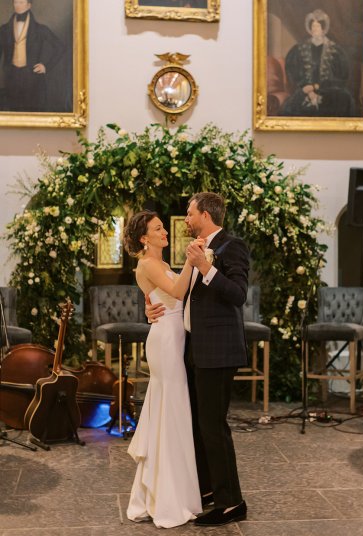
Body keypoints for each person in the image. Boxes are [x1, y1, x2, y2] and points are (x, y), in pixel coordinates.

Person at [146, 192, 249, 527]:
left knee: (213, 426)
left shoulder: (232, 246)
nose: (185, 220)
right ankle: (207, 491)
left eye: (189, 214)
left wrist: (206, 267)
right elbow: (179, 293)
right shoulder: (197, 248)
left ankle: (231, 502)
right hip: (195, 348)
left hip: (219, 350)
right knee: (199, 425)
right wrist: (152, 307)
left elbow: (238, 295)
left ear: (205, 214)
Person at [124, 210, 202, 528]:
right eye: (158, 229)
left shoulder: (162, 265)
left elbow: (170, 296)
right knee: (169, 411)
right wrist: (193, 260)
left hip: (172, 337)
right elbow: (179, 292)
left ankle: (160, 492)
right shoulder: (147, 264)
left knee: (170, 413)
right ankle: (167, 498)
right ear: (144, 238)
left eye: (163, 228)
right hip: (165, 342)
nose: (164, 232)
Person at [279, 8, 355, 117]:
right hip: (305, 90)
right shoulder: (299, 49)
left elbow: (342, 76)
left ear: (323, 29)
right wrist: (308, 90)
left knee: (344, 100)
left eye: (317, 26)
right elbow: (293, 73)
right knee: (289, 108)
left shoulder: (336, 50)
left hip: (330, 90)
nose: (314, 29)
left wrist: (317, 87)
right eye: (313, 26)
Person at [0, 0, 65, 112]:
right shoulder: (4, 29)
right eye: (15, 2)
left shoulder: (40, 29)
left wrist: (46, 66)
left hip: (33, 79)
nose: (17, 5)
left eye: (21, 2)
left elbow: (60, 47)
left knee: (32, 114)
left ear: (29, 5)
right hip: (11, 78)